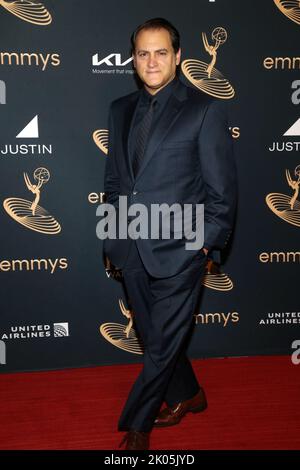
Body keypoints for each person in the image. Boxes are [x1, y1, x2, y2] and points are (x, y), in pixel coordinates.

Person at [103, 18, 237, 450]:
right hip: (131, 246)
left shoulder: (203, 109)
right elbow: (115, 183)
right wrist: (112, 236)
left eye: (161, 52)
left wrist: (205, 244)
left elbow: (222, 190)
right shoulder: (120, 109)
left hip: (182, 250)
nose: (152, 61)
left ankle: (137, 427)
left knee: (159, 348)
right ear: (134, 59)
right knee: (156, 336)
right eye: (143, 53)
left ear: (178, 56)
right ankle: (191, 394)